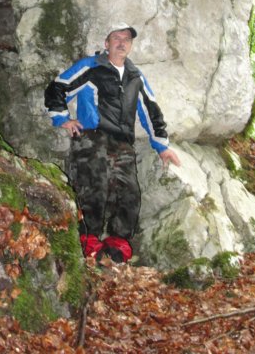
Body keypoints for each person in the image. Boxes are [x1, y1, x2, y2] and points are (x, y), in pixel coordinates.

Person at [44, 22, 181, 263]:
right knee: (92, 183)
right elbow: (58, 87)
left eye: (126, 39)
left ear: (131, 45)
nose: (121, 43)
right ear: (106, 43)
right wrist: (62, 119)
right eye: (116, 38)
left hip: (122, 142)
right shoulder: (90, 67)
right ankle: (87, 238)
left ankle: (118, 243)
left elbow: (151, 111)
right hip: (91, 137)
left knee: (129, 192)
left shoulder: (135, 77)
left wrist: (162, 146)